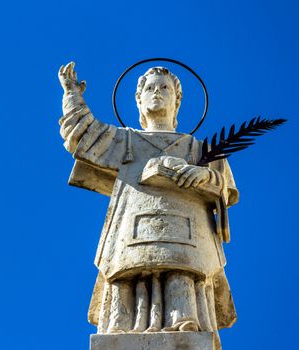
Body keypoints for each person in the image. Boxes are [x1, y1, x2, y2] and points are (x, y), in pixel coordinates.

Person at [58, 62, 238, 348]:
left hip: (187, 231)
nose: (157, 92)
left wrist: (202, 175)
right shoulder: (126, 140)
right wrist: (71, 94)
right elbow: (84, 137)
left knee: (182, 271)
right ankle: (121, 323)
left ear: (176, 101)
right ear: (138, 100)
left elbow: (223, 187)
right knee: (127, 273)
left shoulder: (199, 149)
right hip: (131, 229)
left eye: (164, 88)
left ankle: (183, 320)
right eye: (150, 88)